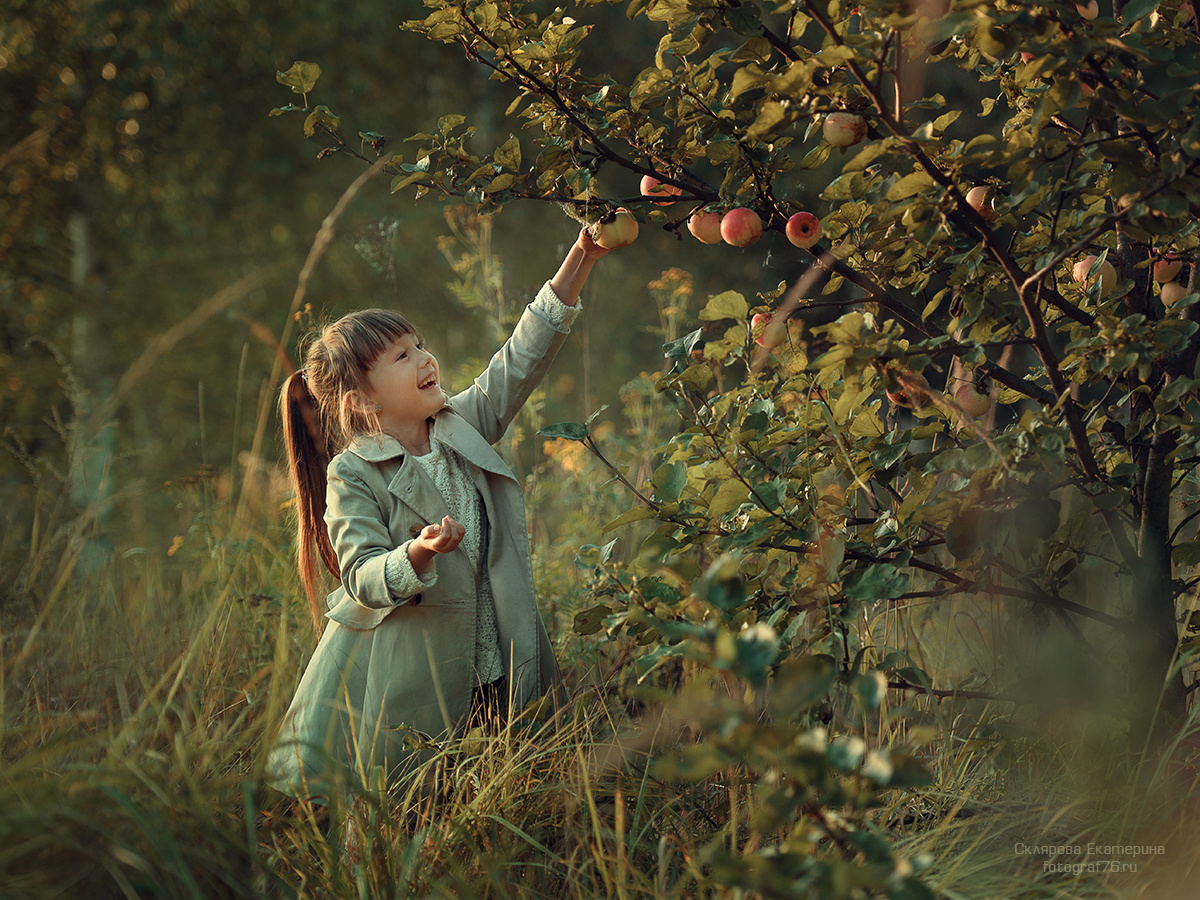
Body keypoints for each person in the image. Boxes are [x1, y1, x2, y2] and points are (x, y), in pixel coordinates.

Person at [267, 224, 613, 798]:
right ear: (363, 401)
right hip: (413, 661)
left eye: (420, 345)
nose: (426, 359)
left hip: (492, 641)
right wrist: (416, 552)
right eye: (404, 356)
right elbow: (359, 574)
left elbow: (520, 360)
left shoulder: (459, 424)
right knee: (409, 789)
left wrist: (580, 257)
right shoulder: (352, 473)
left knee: (509, 773)